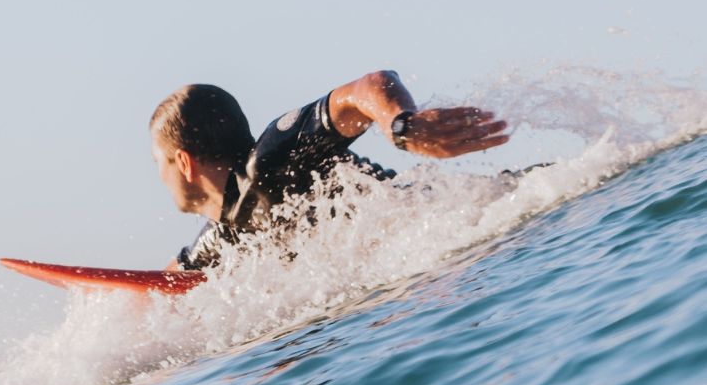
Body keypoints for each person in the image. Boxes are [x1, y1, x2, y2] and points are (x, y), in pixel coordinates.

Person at [150, 70, 509, 271]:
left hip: (482, 232)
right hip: (445, 264)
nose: (159, 177)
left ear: (184, 163)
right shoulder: (226, 233)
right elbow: (170, 280)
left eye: (158, 163)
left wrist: (403, 126)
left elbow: (366, 88)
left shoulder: (275, 157)